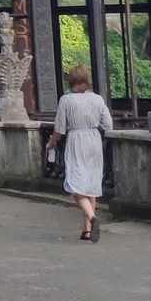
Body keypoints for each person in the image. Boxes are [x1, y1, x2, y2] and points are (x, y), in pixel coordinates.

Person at [46, 64, 112, 241]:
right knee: (90, 185)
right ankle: (87, 230)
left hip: (77, 141)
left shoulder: (66, 100)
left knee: (76, 187)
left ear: (71, 80)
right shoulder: (97, 99)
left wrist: (50, 143)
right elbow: (108, 125)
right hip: (94, 141)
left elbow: (59, 129)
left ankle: (92, 218)